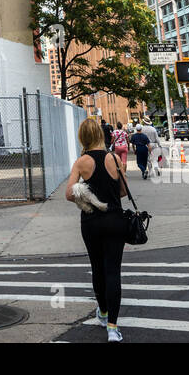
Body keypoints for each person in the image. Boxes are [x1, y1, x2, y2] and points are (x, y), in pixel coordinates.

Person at [65, 117, 131, 343]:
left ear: (82, 137)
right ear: (101, 136)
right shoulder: (113, 158)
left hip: (91, 221)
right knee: (113, 271)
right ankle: (113, 327)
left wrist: (87, 195)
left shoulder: (81, 162)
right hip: (115, 220)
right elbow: (124, 191)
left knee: (97, 268)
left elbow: (69, 194)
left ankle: (102, 313)